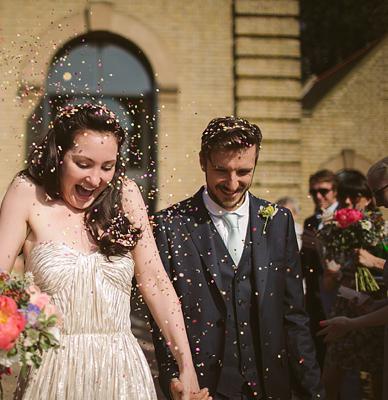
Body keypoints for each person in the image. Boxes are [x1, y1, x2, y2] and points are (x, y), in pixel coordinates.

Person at [0, 103, 210, 400]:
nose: (95, 179)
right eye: (83, 164)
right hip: (53, 373)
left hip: (123, 376)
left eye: (107, 167)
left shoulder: (127, 194)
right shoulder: (26, 193)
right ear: (58, 154)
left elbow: (156, 283)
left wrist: (185, 365)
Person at [151, 116, 324, 399]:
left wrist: (313, 391)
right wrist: (173, 379)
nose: (232, 183)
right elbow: (162, 318)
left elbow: (294, 317)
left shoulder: (279, 221)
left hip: (270, 386)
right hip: (203, 388)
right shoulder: (170, 225)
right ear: (202, 162)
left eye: (244, 171)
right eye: (221, 170)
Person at [318, 156, 388, 397]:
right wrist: (333, 274)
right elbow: (328, 283)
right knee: (331, 378)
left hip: (376, 318)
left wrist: (375, 263)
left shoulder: (382, 229)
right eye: (344, 198)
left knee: (379, 382)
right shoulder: (335, 231)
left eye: (356, 196)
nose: (348, 202)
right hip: (353, 307)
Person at [301, 169, 340, 371]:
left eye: (323, 191)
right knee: (317, 340)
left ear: (335, 192)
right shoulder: (310, 221)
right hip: (315, 290)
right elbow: (304, 259)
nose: (318, 196)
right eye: (314, 191)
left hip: (338, 288)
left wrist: (321, 246)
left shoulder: (343, 218)